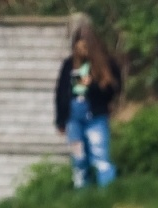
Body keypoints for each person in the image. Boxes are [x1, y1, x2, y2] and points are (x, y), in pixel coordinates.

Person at [55, 19, 123, 189]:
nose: (82, 49)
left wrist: (92, 85)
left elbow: (113, 90)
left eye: (86, 45)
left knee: (100, 156)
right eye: (79, 44)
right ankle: (82, 194)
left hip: (95, 115)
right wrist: (60, 119)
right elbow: (60, 92)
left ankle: (108, 191)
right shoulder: (69, 65)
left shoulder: (105, 65)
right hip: (73, 119)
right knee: (78, 158)